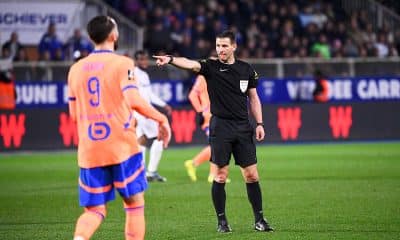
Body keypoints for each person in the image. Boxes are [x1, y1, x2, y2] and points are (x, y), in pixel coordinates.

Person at [154, 30, 273, 233]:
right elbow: (190, 63)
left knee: (252, 175)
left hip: (243, 127)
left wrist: (260, 123)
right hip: (220, 126)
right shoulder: (210, 67)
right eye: (218, 45)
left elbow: (254, 98)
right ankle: (222, 222)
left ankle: (260, 220)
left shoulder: (246, 69)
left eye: (225, 46)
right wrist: (171, 59)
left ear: (234, 46)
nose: (221, 49)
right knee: (220, 175)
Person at [68, 16, 171, 240]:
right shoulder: (123, 63)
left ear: (90, 37)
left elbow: (73, 116)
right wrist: (161, 119)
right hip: (121, 146)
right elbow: (133, 99)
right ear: (114, 35)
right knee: (134, 203)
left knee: (94, 210)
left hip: (90, 150)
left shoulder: (75, 70)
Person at [134, 50, 172, 182]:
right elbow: (127, 92)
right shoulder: (131, 72)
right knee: (157, 137)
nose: (144, 61)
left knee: (143, 140)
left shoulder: (144, 75)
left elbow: (149, 95)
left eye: (145, 59)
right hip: (139, 112)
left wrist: (163, 104)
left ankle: (143, 172)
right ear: (136, 61)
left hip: (145, 111)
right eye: (141, 59)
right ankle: (149, 172)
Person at [185, 74, 231, 183]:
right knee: (217, 145)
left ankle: (200, 167)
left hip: (219, 115)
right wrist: (200, 110)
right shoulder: (204, 77)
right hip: (210, 115)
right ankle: (209, 173)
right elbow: (192, 95)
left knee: (218, 145)